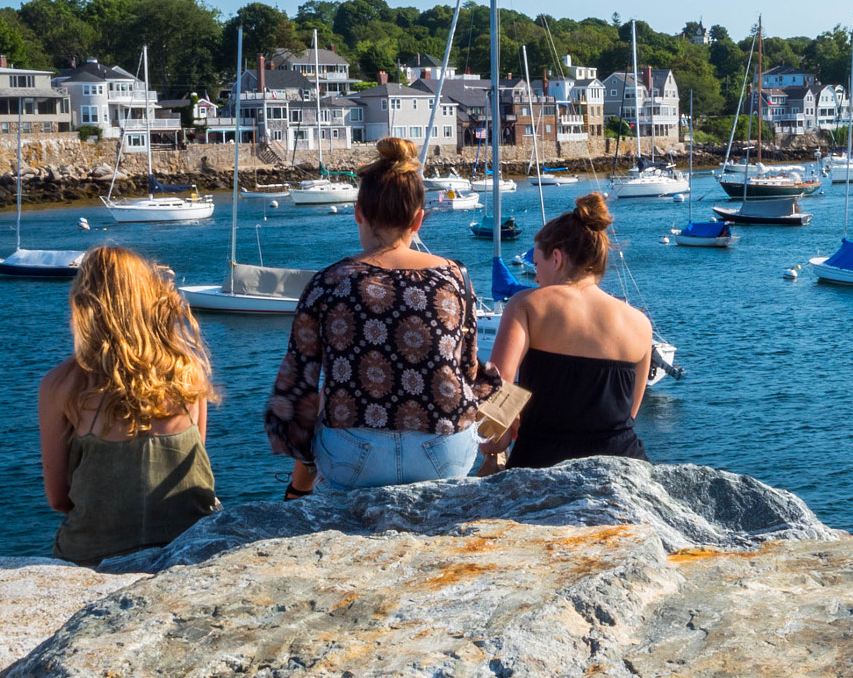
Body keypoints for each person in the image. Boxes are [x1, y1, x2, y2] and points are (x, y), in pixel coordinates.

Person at [266, 136, 499, 495]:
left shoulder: (328, 283)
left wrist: (301, 476)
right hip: (442, 452)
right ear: (418, 219)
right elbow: (467, 369)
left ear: (359, 212)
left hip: (353, 455)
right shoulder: (455, 277)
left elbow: (298, 387)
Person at [38, 245, 219, 566]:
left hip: (93, 555)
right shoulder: (189, 370)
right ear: (147, 296)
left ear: (84, 304)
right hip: (189, 549)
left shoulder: (61, 384)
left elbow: (58, 498)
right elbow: (194, 472)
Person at [482, 193, 654, 469]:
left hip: (542, 464)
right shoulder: (640, 323)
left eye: (537, 264)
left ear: (557, 258)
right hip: (625, 467)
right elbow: (628, 415)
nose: (536, 277)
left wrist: (496, 443)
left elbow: (497, 387)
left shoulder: (526, 305)